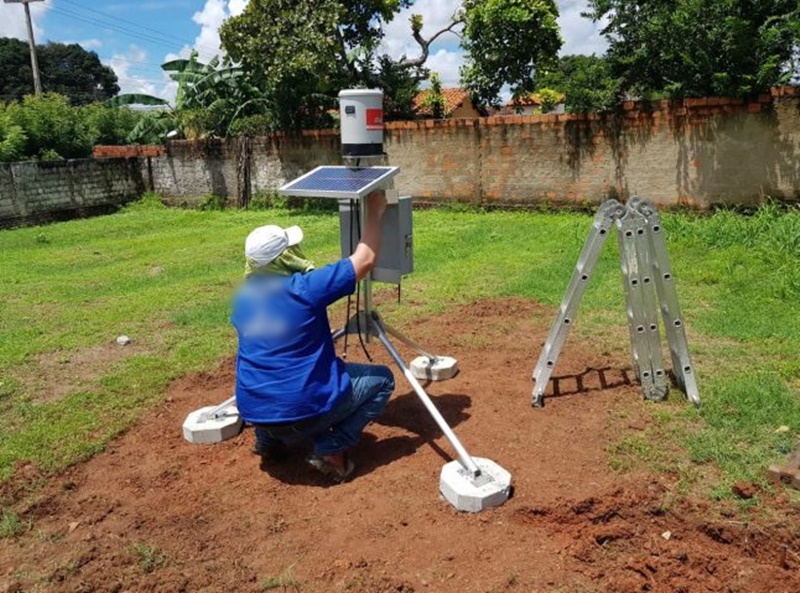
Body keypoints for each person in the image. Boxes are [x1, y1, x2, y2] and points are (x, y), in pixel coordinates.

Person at [231, 191, 395, 483]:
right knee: (382, 379)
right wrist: (375, 210)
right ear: (284, 257)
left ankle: (268, 442)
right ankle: (330, 449)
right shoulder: (305, 288)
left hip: (253, 410)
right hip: (303, 410)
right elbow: (365, 259)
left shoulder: (241, 299)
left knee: (270, 374)